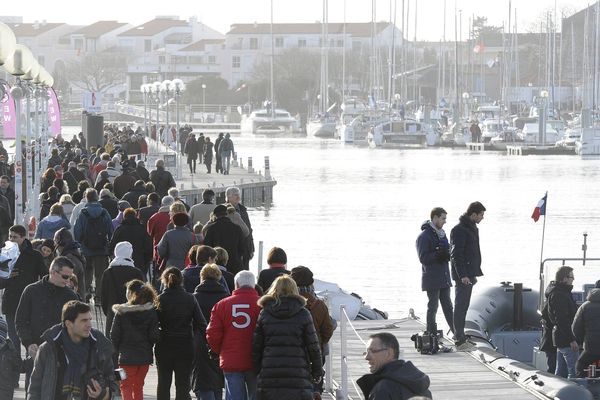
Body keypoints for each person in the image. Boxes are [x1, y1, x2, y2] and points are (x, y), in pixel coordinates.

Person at [28, 300, 116, 400]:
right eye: (84, 320)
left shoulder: (99, 346)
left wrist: (103, 394)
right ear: (68, 323)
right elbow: (35, 387)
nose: (89, 325)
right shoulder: (48, 349)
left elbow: (112, 382)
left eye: (90, 319)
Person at [252, 275, 322, 400]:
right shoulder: (303, 313)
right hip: (298, 373)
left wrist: (257, 368)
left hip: (270, 371)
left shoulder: (265, 313)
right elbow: (313, 346)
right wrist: (317, 370)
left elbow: (257, 345)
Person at [15, 257, 79, 385]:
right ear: (53, 272)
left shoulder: (71, 296)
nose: (68, 281)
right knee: (34, 392)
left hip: (61, 354)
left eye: (70, 278)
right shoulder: (31, 290)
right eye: (65, 277)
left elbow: (77, 325)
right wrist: (28, 343)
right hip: (35, 352)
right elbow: (20, 320)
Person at [207, 271, 261, 400]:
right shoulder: (262, 305)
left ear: (236, 284)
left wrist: (220, 351)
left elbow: (212, 334)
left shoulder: (222, 305)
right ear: (254, 285)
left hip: (231, 360)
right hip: (256, 360)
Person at [156, 267, 205, 400]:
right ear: (182, 280)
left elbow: (153, 324)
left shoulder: (159, 299)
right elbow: (201, 324)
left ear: (164, 280)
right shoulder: (190, 298)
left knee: (163, 384)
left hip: (164, 345)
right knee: (183, 385)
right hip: (185, 345)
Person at [0, 225, 47, 355]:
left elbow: (44, 276)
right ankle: (15, 366)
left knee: (29, 337)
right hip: (11, 301)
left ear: (23, 237)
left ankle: (30, 363)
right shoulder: (4, 254)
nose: (11, 239)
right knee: (13, 337)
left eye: (15, 237)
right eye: (10, 236)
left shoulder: (35, 255)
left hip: (30, 301)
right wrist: (7, 277)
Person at [111, 280, 160, 400]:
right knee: (138, 386)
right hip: (144, 358)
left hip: (125, 358)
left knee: (125, 386)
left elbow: (114, 335)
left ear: (131, 293)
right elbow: (154, 336)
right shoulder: (151, 311)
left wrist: (116, 350)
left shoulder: (121, 312)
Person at [290, 266, 334, 399]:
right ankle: (315, 391)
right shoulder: (319, 305)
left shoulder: (288, 302)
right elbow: (328, 329)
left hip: (293, 352)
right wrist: (320, 341)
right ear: (311, 283)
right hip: (315, 351)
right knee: (315, 379)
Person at [450, 201, 485, 351]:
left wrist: (473, 273)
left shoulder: (472, 228)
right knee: (460, 306)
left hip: (470, 274)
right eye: (481, 215)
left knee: (464, 306)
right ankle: (459, 339)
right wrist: (463, 275)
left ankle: (461, 336)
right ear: (473, 214)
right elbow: (456, 255)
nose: (482, 218)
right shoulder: (459, 230)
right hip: (463, 276)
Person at [356, 332, 432, 400]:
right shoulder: (419, 382)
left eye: (373, 351)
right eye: (366, 352)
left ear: (389, 353)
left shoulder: (383, 389)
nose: (366, 357)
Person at [192, 264, 229, 400]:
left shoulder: (194, 297)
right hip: (221, 343)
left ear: (201, 277)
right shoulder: (226, 298)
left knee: (202, 380)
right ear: (219, 277)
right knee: (217, 381)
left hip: (199, 341)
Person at [416, 207, 454, 336]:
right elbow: (423, 258)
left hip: (444, 277)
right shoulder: (424, 236)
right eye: (443, 218)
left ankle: (458, 334)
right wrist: (438, 254)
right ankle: (431, 334)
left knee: (448, 307)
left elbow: (446, 254)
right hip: (432, 279)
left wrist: (447, 253)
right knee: (433, 307)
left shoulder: (443, 234)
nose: (445, 221)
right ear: (435, 218)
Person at [74, 188, 114, 303]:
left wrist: (79, 244)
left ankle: (86, 293)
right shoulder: (104, 212)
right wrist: (109, 245)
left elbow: (78, 230)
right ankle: (98, 297)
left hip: (86, 248)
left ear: (87, 198)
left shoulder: (83, 212)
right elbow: (110, 230)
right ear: (97, 198)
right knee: (100, 274)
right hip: (102, 248)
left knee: (87, 272)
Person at [100, 241, 145, 336]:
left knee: (112, 344)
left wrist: (107, 311)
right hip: (132, 314)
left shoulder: (108, 272)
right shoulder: (137, 273)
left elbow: (103, 296)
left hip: (112, 312)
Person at [548, 266, 579, 378]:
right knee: (574, 372)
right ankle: (575, 395)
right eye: (572, 277)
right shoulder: (560, 295)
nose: (573, 279)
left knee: (560, 373)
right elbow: (562, 320)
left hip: (560, 338)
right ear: (564, 278)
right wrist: (571, 340)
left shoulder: (559, 292)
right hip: (566, 340)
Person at [109, 207, 153, 276]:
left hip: (122, 262)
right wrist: (146, 261)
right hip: (139, 261)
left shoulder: (120, 229)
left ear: (124, 217)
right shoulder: (142, 229)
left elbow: (112, 245)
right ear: (135, 216)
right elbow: (148, 246)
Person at [203, 204, 245, 275]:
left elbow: (207, 247)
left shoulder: (212, 229)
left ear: (215, 215)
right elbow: (242, 248)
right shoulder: (237, 228)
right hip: (235, 264)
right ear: (226, 214)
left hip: (217, 265)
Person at [572, 280, 600, 378]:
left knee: (581, 364)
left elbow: (576, 327)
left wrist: (578, 342)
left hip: (591, 347)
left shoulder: (585, 306)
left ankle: (582, 386)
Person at [55, 227, 87, 300]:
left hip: (74, 303)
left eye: (55, 240)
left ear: (60, 242)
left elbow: (69, 284)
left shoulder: (69, 259)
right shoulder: (73, 254)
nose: (54, 244)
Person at [226, 187, 254, 271]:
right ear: (228, 197)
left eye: (239, 195)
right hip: (229, 250)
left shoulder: (243, 210)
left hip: (245, 248)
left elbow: (249, 229)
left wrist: (251, 248)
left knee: (245, 273)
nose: (238, 197)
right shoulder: (222, 210)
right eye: (235, 195)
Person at [540, 281, 557, 373]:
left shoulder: (547, 304)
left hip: (548, 341)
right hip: (552, 342)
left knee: (552, 366)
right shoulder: (552, 303)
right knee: (553, 367)